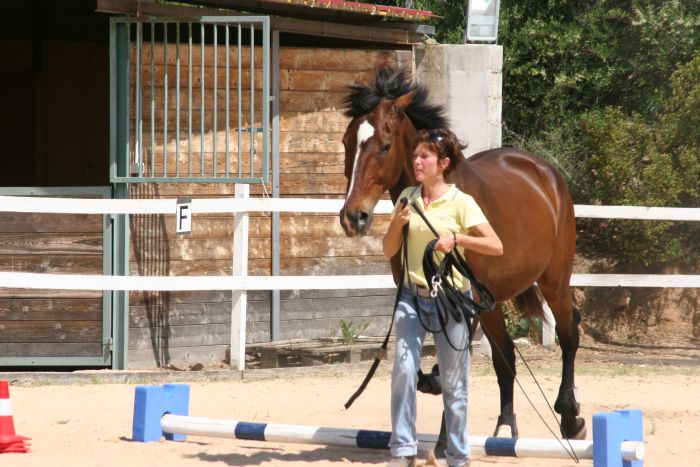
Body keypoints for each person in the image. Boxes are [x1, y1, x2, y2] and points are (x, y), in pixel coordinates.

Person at [382, 128, 503, 467]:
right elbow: (388, 249)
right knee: (404, 370)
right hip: (412, 295)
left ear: (443, 163)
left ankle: (458, 457)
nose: (416, 162)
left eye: (424, 157)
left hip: (449, 299)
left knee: (454, 382)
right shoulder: (407, 196)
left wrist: (457, 238)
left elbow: (496, 245)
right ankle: (403, 450)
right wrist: (397, 224)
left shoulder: (461, 201)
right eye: (415, 156)